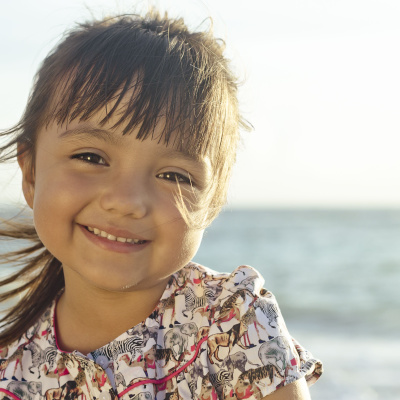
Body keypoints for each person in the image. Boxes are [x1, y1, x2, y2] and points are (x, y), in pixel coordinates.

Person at [0, 9, 322, 400]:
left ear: (212, 202)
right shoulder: (11, 368)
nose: (126, 201)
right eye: (91, 157)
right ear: (31, 173)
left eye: (174, 176)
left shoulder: (228, 321)